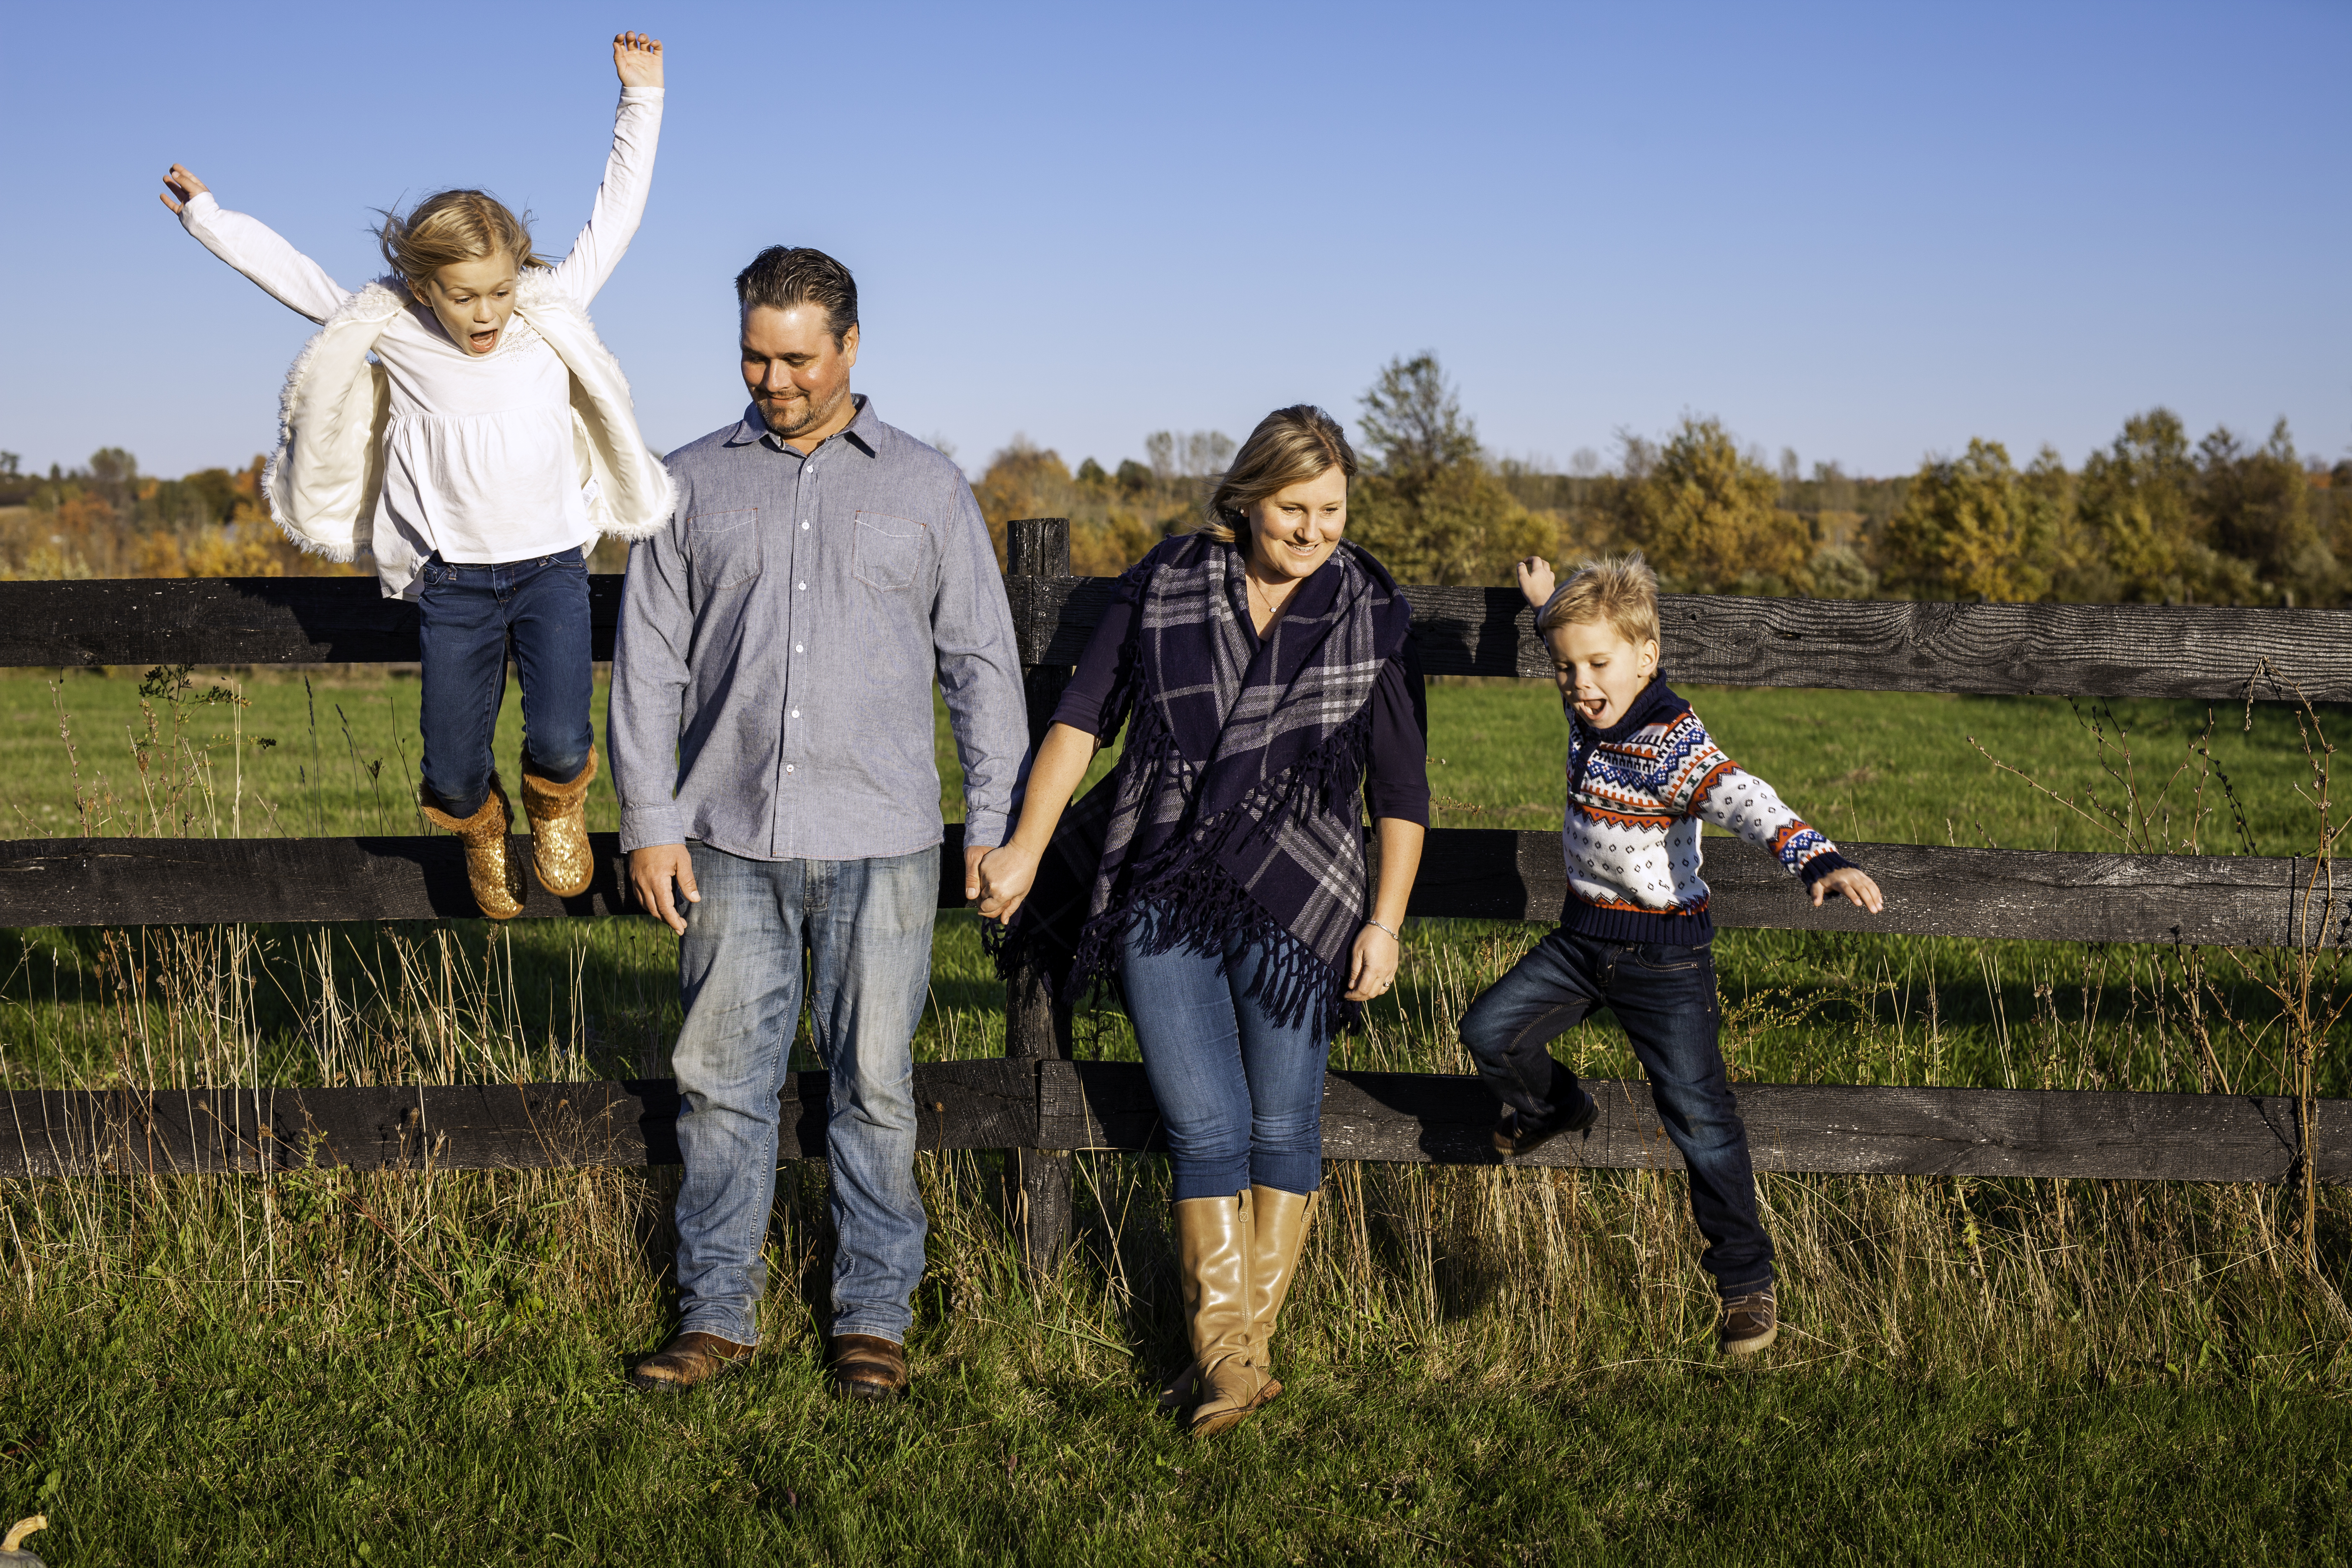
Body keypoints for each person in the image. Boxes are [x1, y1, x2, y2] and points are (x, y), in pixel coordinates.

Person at [610, 245, 1027, 1400]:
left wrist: (991, 822)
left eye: (797, 356)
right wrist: (650, 820)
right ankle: (716, 1313)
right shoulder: (685, 486)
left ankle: (873, 1320)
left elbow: (984, 669)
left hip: (885, 842)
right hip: (727, 839)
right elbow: (646, 667)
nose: (774, 379)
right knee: (720, 1086)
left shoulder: (929, 489)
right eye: (755, 353)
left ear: (850, 347)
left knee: (874, 1087)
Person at [976, 405, 1428, 1436]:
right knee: (1206, 1122)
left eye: (1333, 510)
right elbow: (1080, 725)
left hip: (1305, 892)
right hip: (1164, 882)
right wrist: (1027, 848)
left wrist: (1387, 922)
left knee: (1284, 1123)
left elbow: (1401, 794)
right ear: (1245, 499)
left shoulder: (1371, 616)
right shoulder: (1167, 583)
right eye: (1292, 510)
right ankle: (1233, 1361)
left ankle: (1230, 1361)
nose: (1314, 532)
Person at [160, 34, 674, 918]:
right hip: (453, 580)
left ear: (522, 276)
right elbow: (294, 276)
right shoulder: (394, 326)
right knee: (448, 763)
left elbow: (617, 215)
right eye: (464, 295)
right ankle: (480, 828)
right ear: (422, 284)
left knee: (559, 734)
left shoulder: (549, 314)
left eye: (501, 290)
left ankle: (555, 808)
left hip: (551, 563)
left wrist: (642, 98)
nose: (486, 313)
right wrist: (210, 217)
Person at [1460, 552, 1885, 1356]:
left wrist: (1817, 856)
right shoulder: (1592, 715)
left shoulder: (1668, 742)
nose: (1578, 683)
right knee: (1490, 1031)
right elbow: (1580, 653)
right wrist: (1548, 604)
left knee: (1699, 1115)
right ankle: (1556, 1109)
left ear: (1647, 658)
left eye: (1597, 665)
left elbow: (1741, 794)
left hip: (1665, 961)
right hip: (1583, 940)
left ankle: (1745, 1283)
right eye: (1564, 668)